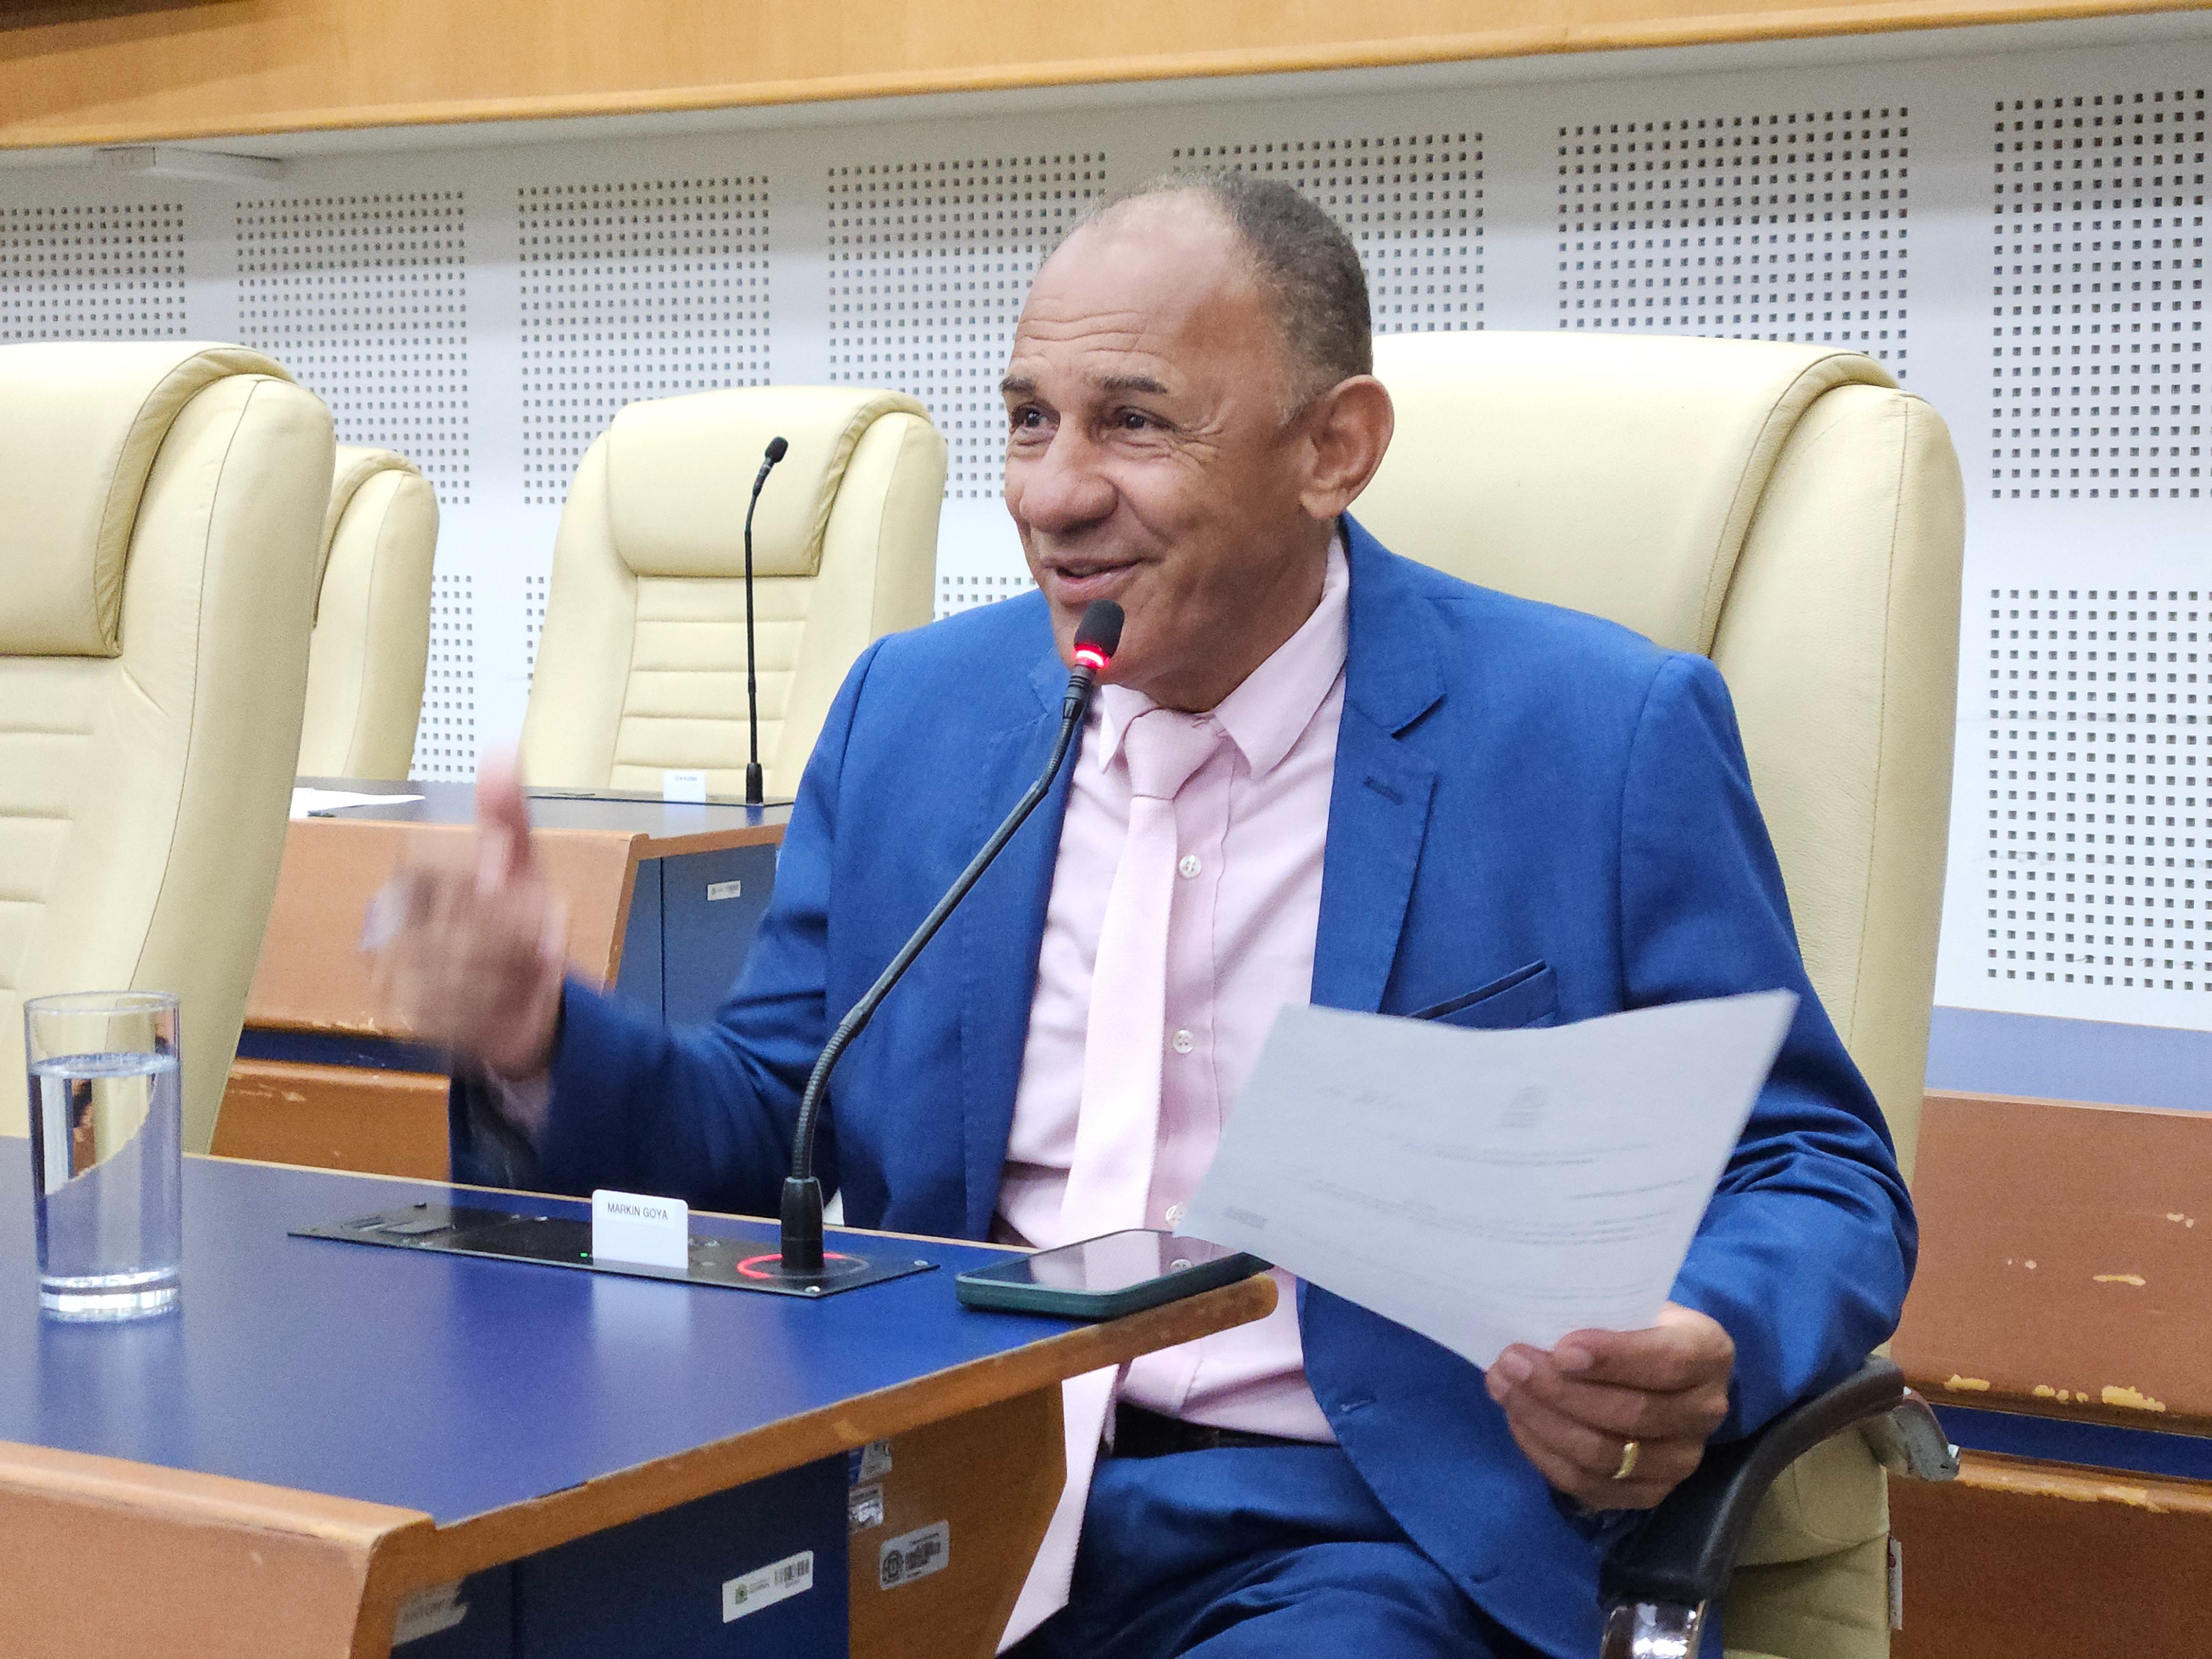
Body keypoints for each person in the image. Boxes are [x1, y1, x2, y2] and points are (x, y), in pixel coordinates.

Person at [368, 170, 1914, 1659]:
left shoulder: (1596, 736)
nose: (1054, 493)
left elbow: (1815, 1166)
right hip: (934, 1489)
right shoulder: (917, 714)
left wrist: (1706, 1332)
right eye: (1029, 419)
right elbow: (781, 1123)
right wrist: (539, 1040)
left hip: (1353, 1533)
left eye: (1135, 422)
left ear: (1336, 448)